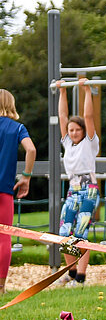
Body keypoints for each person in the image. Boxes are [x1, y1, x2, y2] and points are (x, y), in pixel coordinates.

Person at [56, 78, 100, 287]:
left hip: (88, 190)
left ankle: (81, 278)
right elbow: (62, 116)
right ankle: (71, 273)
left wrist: (86, 91)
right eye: (71, 130)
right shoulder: (68, 144)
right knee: (64, 233)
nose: (73, 133)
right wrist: (62, 91)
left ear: (83, 131)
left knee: (81, 232)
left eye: (77, 130)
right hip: (73, 189)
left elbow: (89, 116)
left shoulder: (90, 143)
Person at [0, 89, 36, 295]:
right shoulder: (17, 128)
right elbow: (31, 150)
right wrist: (26, 177)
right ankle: (1, 287)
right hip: (5, 190)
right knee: (4, 237)